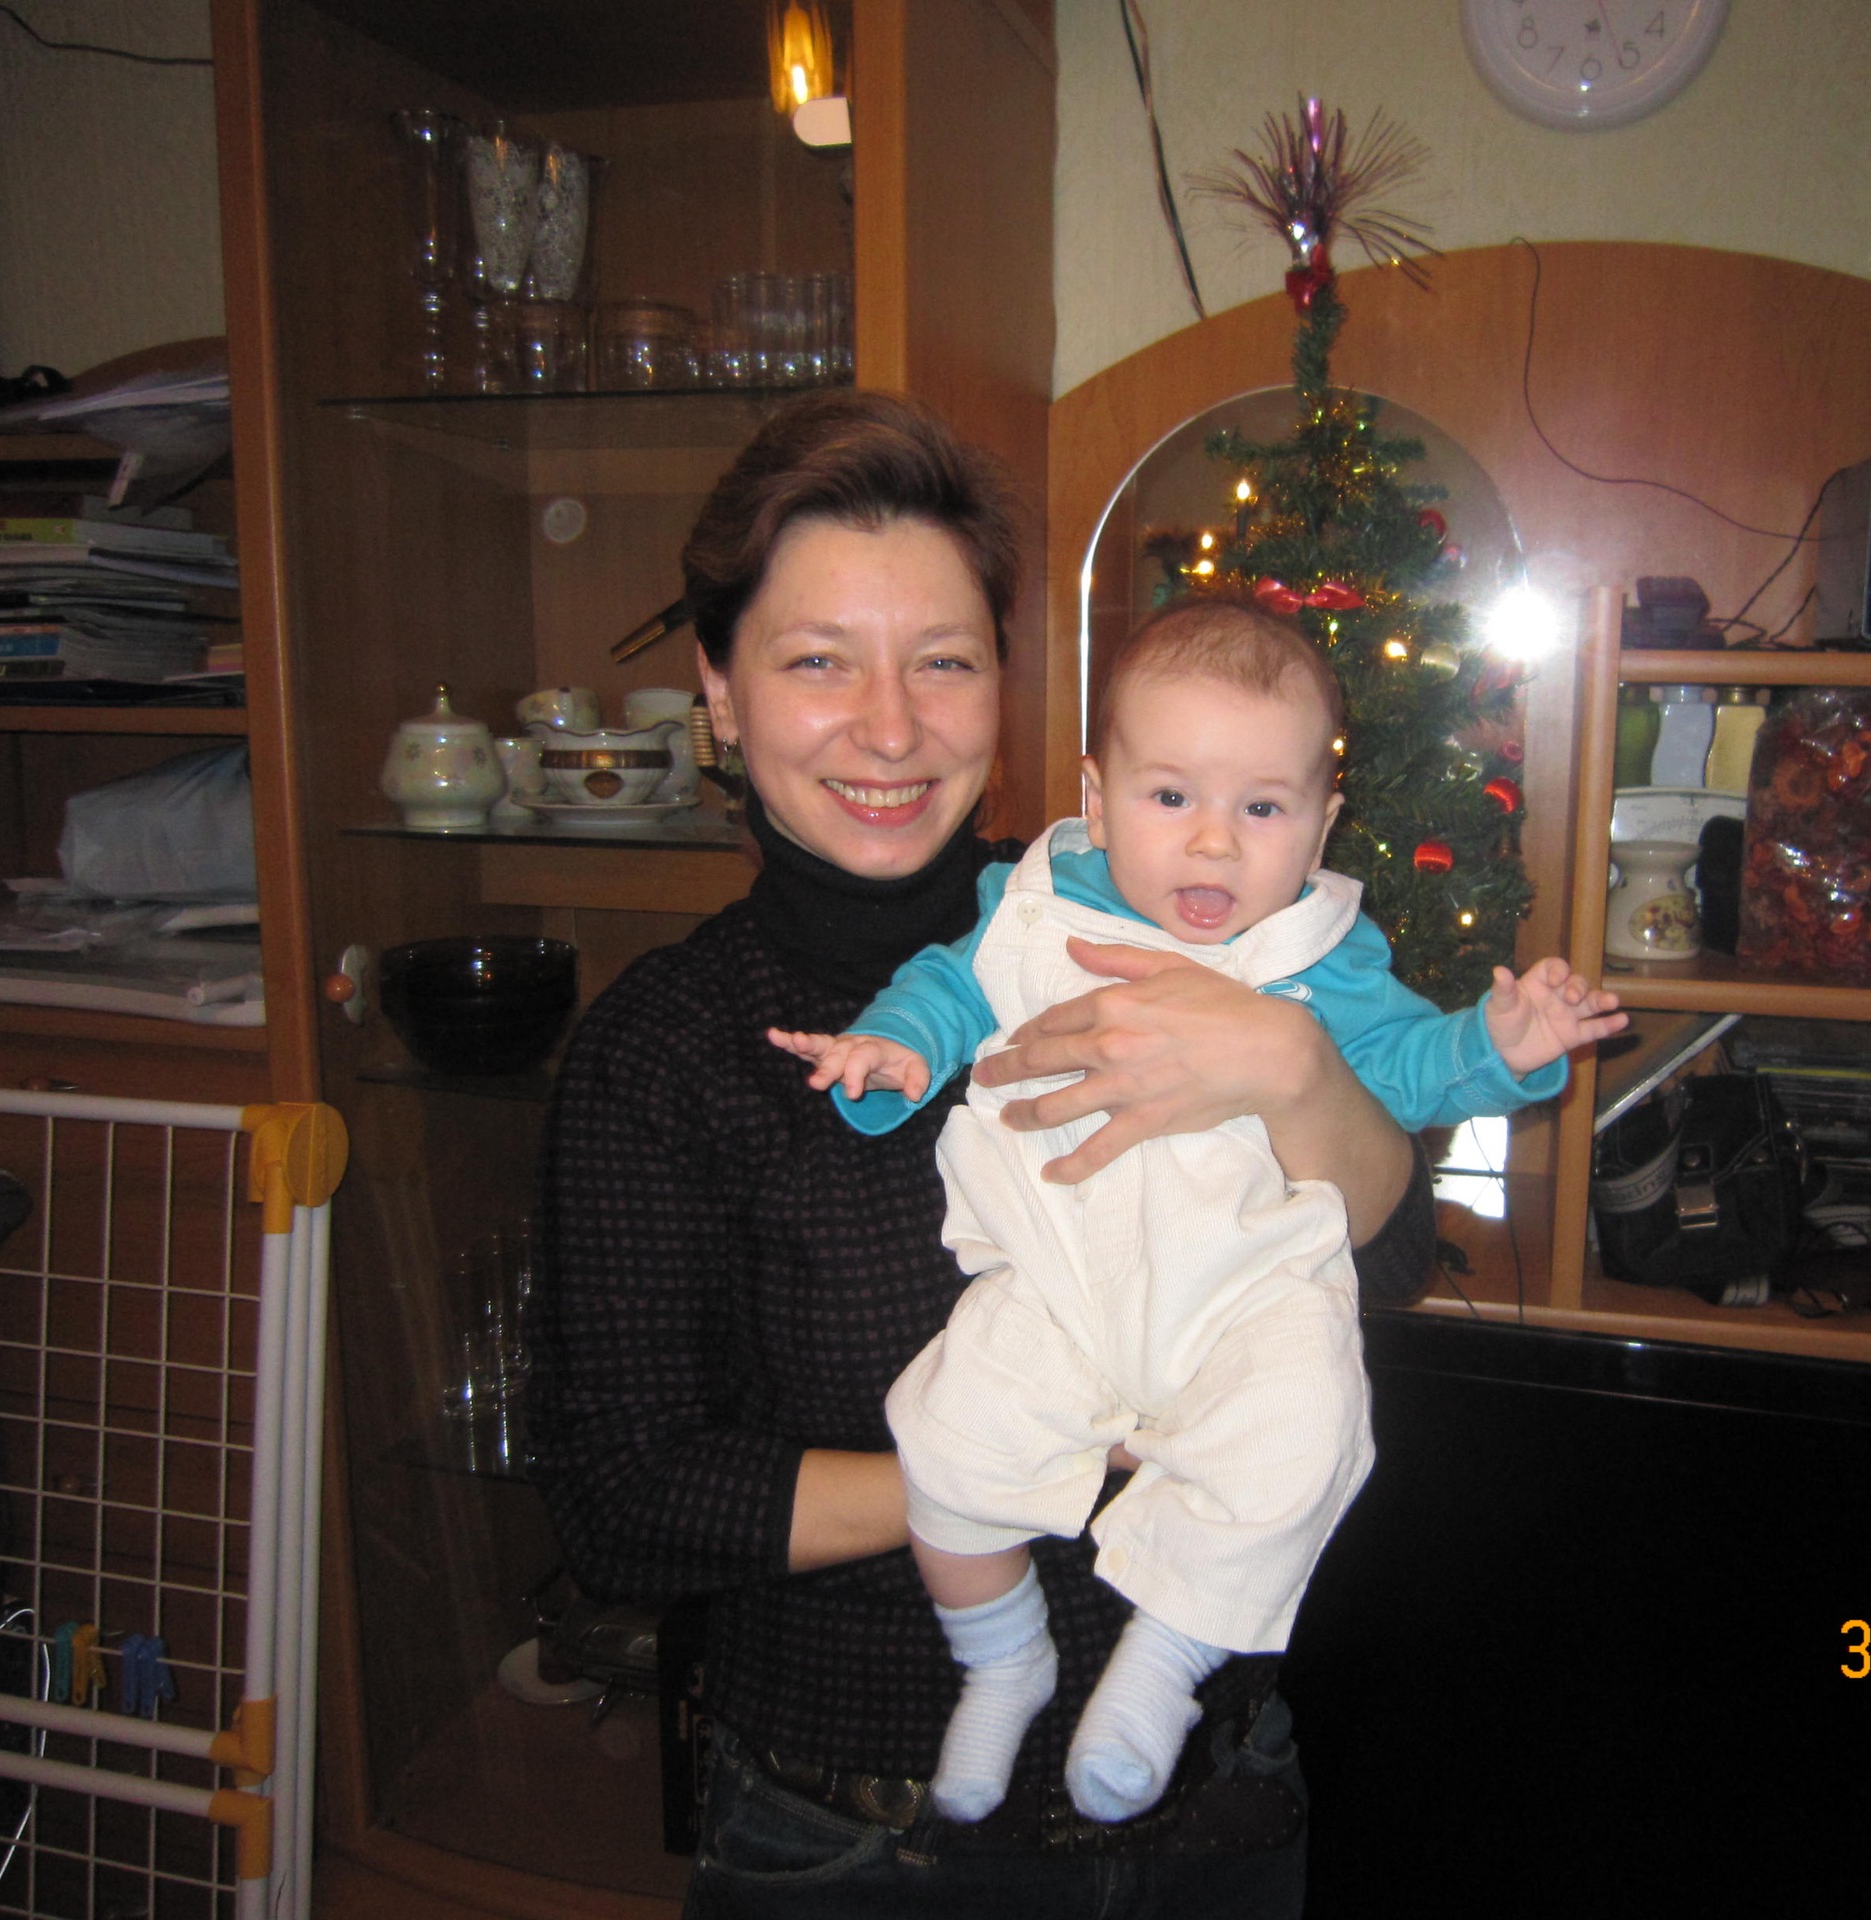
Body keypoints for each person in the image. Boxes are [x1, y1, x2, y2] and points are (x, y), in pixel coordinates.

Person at [530, 390, 1450, 1919]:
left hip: (1214, 1806)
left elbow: (1392, 1254)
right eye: (818, 660)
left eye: (944, 661)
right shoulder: (668, 1049)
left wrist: (1292, 1070)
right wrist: (1040, 1462)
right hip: (861, 1842)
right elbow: (626, 1499)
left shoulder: (1153, 915)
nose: (891, 728)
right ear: (719, 691)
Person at [770, 600, 1626, 1828]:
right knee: (948, 1443)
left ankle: (1162, 1666)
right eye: (1170, 796)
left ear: (1321, 823)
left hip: (1246, 1295)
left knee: (1302, 1439)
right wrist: (894, 1049)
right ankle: (1000, 1657)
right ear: (1097, 795)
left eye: (1263, 809)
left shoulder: (1321, 955)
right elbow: (947, 988)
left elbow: (1404, 1072)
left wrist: (1502, 1045)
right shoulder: (1033, 906)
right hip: (1054, 1282)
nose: (1214, 844)